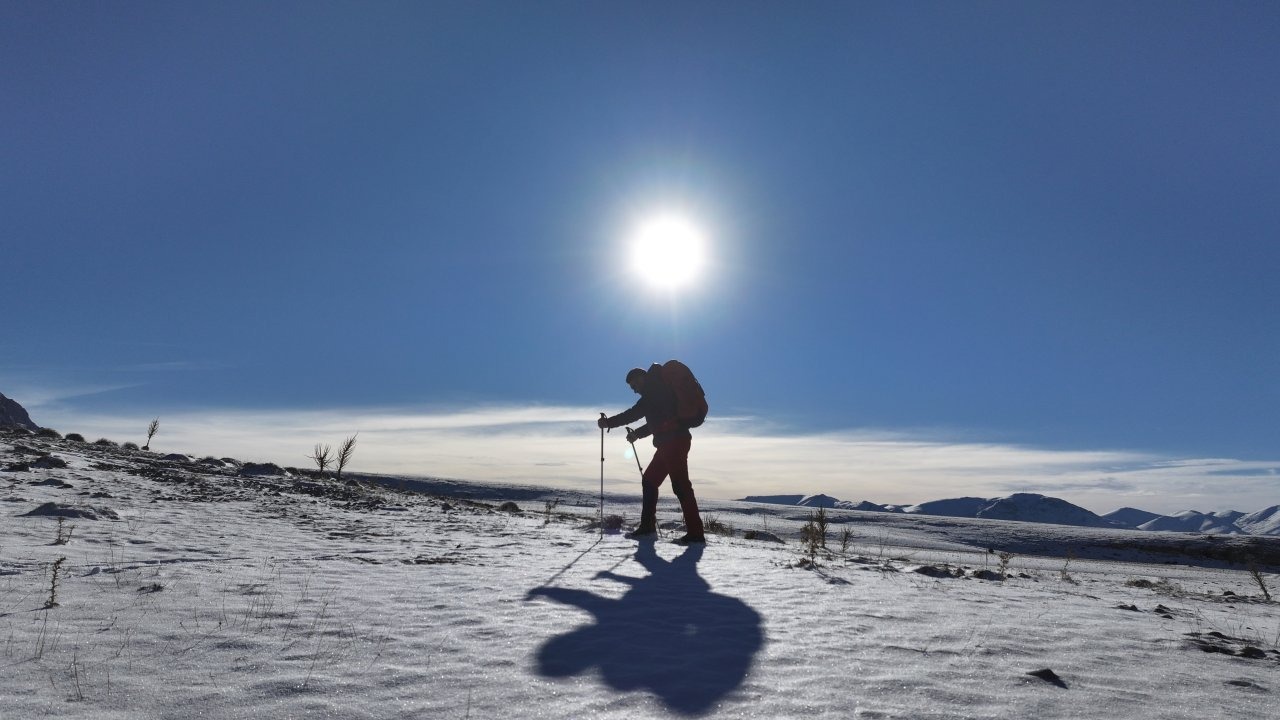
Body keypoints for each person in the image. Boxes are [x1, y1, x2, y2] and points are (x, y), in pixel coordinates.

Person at [598, 364, 706, 544]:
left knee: (681, 486)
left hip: (674, 442)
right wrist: (637, 434)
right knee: (649, 480)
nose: (634, 390)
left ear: (642, 378)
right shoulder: (658, 391)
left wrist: (608, 423)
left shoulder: (653, 391)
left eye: (634, 385)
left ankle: (695, 534)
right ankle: (647, 526)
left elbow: (633, 414)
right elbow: (657, 422)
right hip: (668, 443)